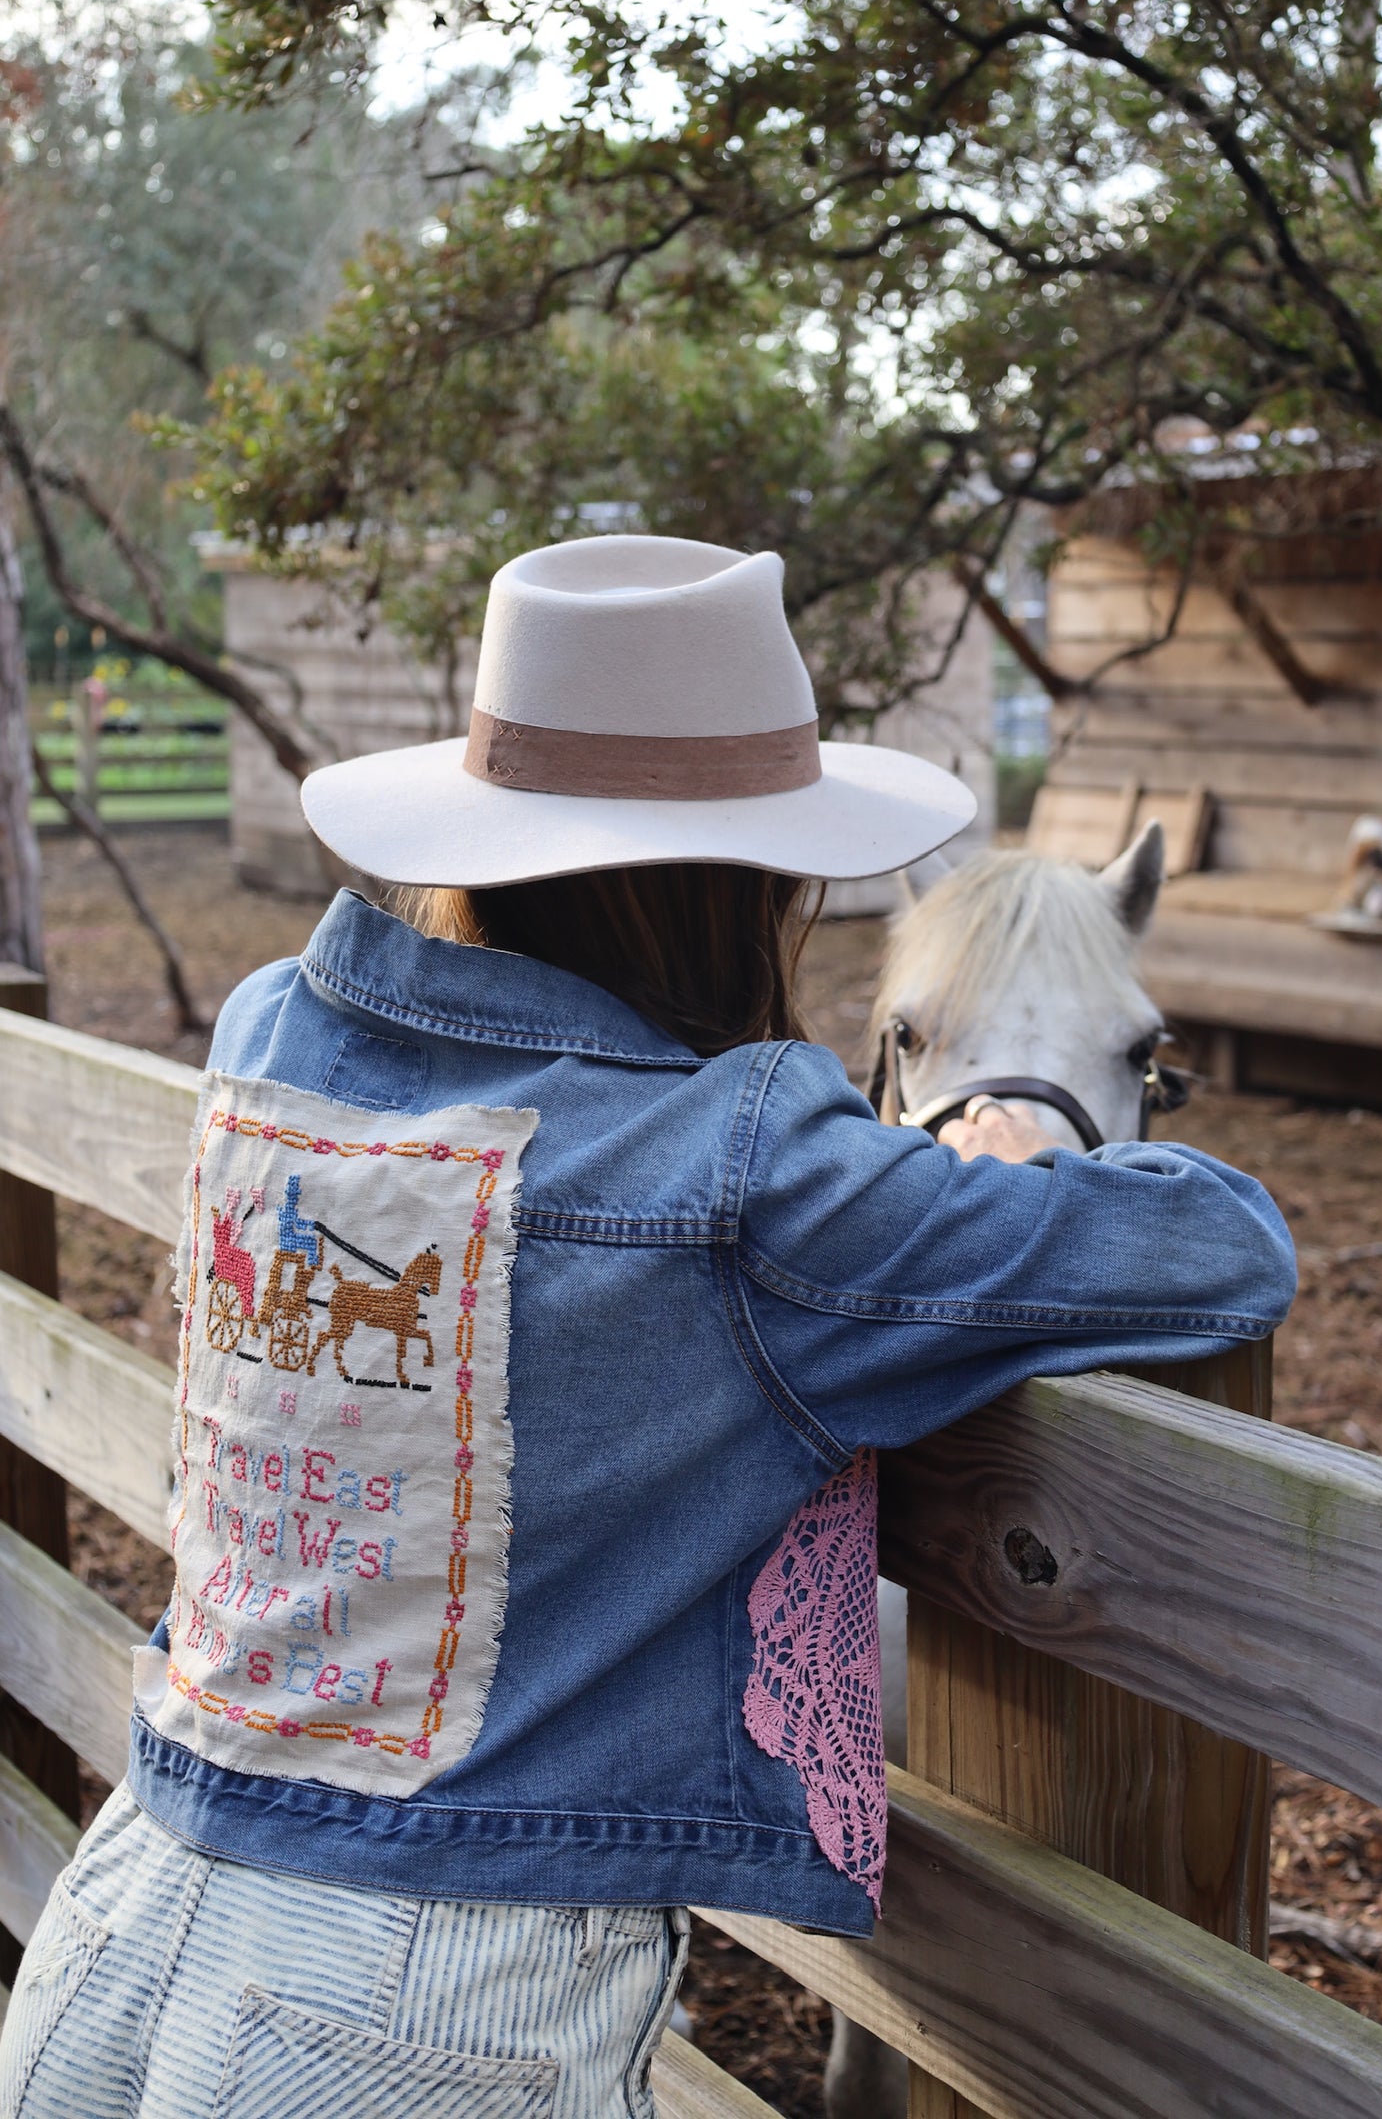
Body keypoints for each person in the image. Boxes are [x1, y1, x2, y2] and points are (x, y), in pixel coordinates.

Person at [0, 535, 1295, 2119]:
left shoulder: (273, 1032)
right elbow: (1221, 1244)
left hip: (130, 1907)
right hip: (413, 2009)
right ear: (748, 889)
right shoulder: (752, 1177)